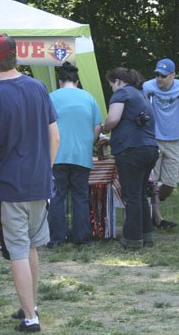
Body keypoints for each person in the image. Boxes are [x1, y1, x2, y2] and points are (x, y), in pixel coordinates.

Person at [0, 33, 60, 333]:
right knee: (32, 247)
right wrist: (44, 170)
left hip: (10, 186)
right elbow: (55, 137)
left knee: (17, 251)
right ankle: (30, 305)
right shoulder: (39, 87)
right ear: (17, 55)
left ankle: (30, 317)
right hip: (40, 182)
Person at [102, 67, 159, 250]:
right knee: (141, 194)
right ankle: (146, 235)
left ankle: (132, 240)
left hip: (131, 152)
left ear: (117, 80)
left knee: (132, 195)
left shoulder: (122, 93)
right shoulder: (141, 96)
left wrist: (103, 129)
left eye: (111, 84)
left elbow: (113, 120)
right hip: (149, 149)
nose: (111, 88)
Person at [48, 62, 101, 247]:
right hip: (82, 155)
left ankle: (56, 239)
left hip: (56, 155)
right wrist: (88, 142)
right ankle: (82, 238)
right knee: (80, 196)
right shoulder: (89, 98)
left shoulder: (50, 97)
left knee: (57, 197)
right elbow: (97, 127)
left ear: (59, 80)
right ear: (77, 81)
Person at [142, 58, 179, 229]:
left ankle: (158, 201)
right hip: (154, 139)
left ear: (173, 75)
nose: (159, 79)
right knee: (152, 181)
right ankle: (156, 219)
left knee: (171, 182)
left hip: (174, 140)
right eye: (157, 75)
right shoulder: (148, 87)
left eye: (163, 76)